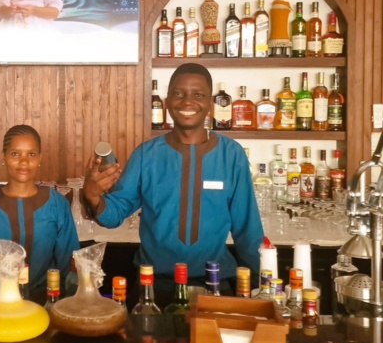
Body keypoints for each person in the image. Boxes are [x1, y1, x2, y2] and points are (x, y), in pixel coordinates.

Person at [82, 63, 264, 301]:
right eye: (178, 94)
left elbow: (248, 229)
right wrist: (93, 194)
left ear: (210, 104)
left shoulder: (231, 155)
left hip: (216, 285)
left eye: (198, 95)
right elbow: (116, 213)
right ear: (167, 102)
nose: (187, 102)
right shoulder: (146, 154)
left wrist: (260, 287)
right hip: (154, 285)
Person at [0, 124, 79, 300]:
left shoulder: (56, 204)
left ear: (40, 158)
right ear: (4, 157)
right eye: (15, 154)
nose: (24, 161)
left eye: (31, 154)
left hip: (45, 303)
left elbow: (69, 268)